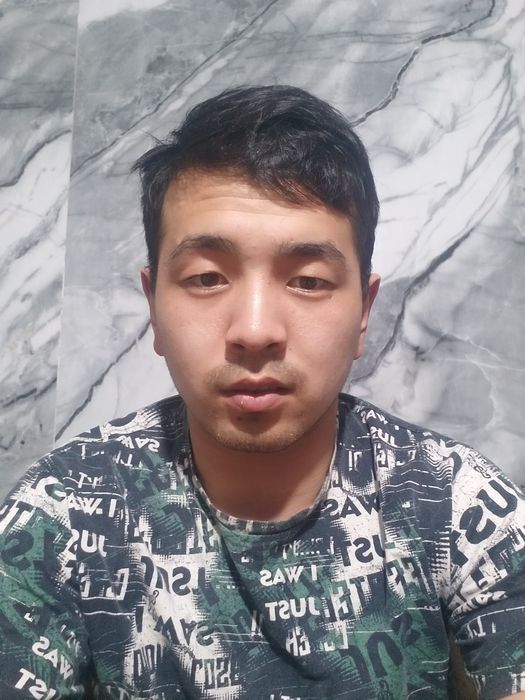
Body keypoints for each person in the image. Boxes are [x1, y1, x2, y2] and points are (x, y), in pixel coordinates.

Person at [0, 85, 523, 700]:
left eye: (308, 280)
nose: (254, 331)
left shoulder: (459, 505)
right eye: (206, 277)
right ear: (153, 307)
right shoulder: (64, 510)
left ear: (364, 313)